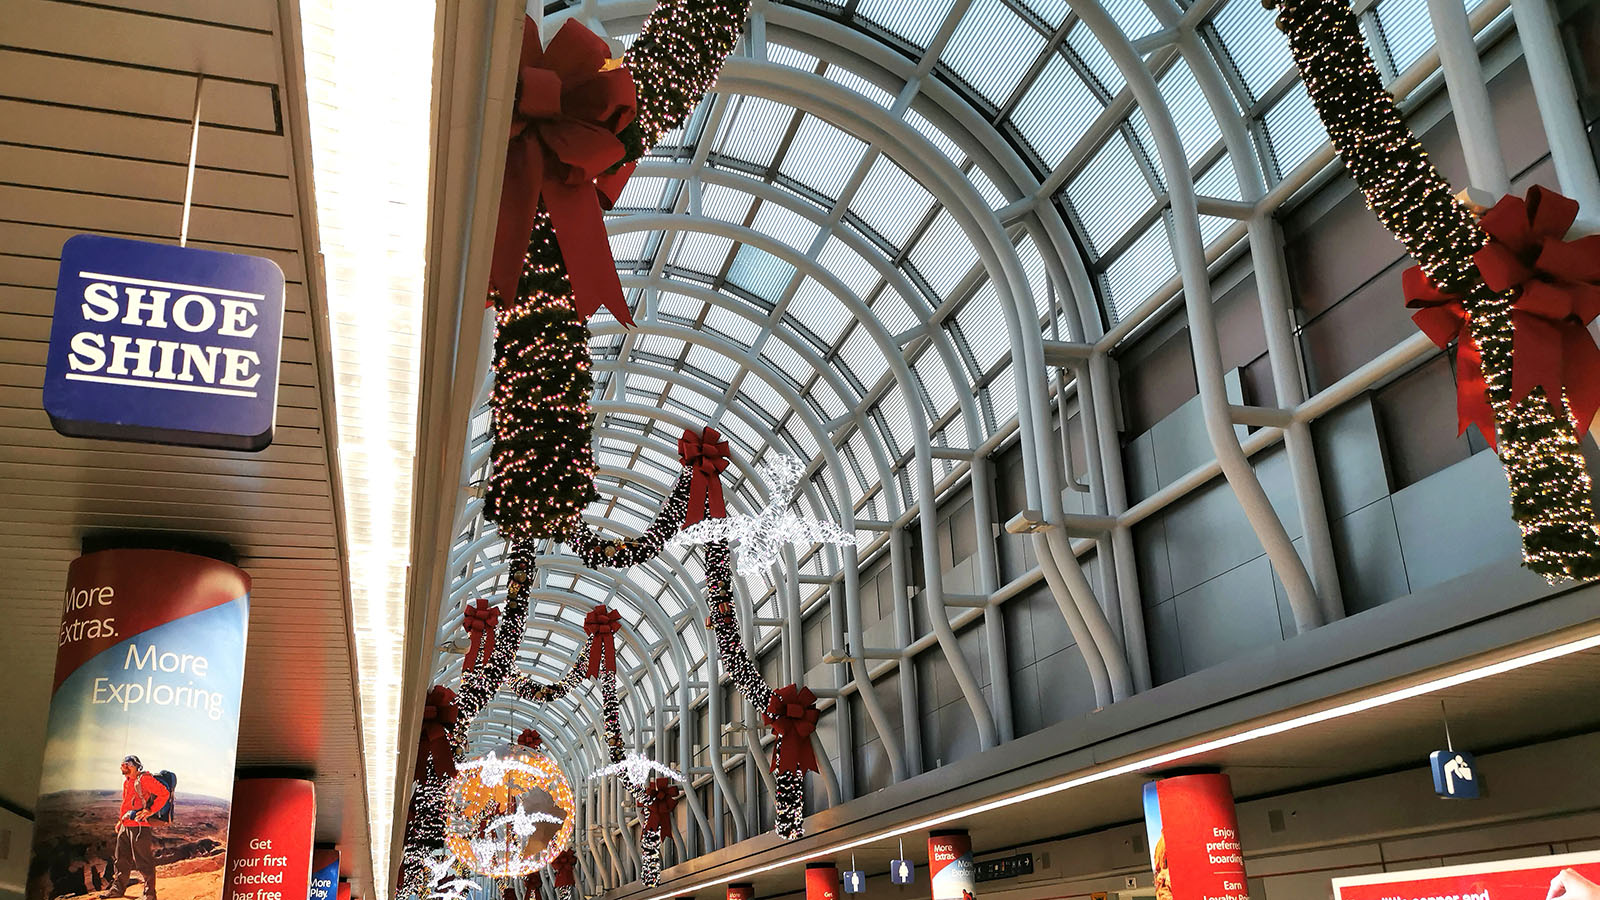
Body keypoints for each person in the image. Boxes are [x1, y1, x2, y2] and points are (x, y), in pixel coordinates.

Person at [102, 756, 168, 900]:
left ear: (133, 766)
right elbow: (126, 804)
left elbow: (164, 793)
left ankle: (149, 894)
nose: (122, 768)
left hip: (140, 827)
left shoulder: (144, 779)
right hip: (126, 825)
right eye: (122, 765)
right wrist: (121, 822)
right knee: (121, 860)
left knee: (143, 860)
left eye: (125, 765)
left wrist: (150, 811)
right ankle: (117, 890)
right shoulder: (128, 782)